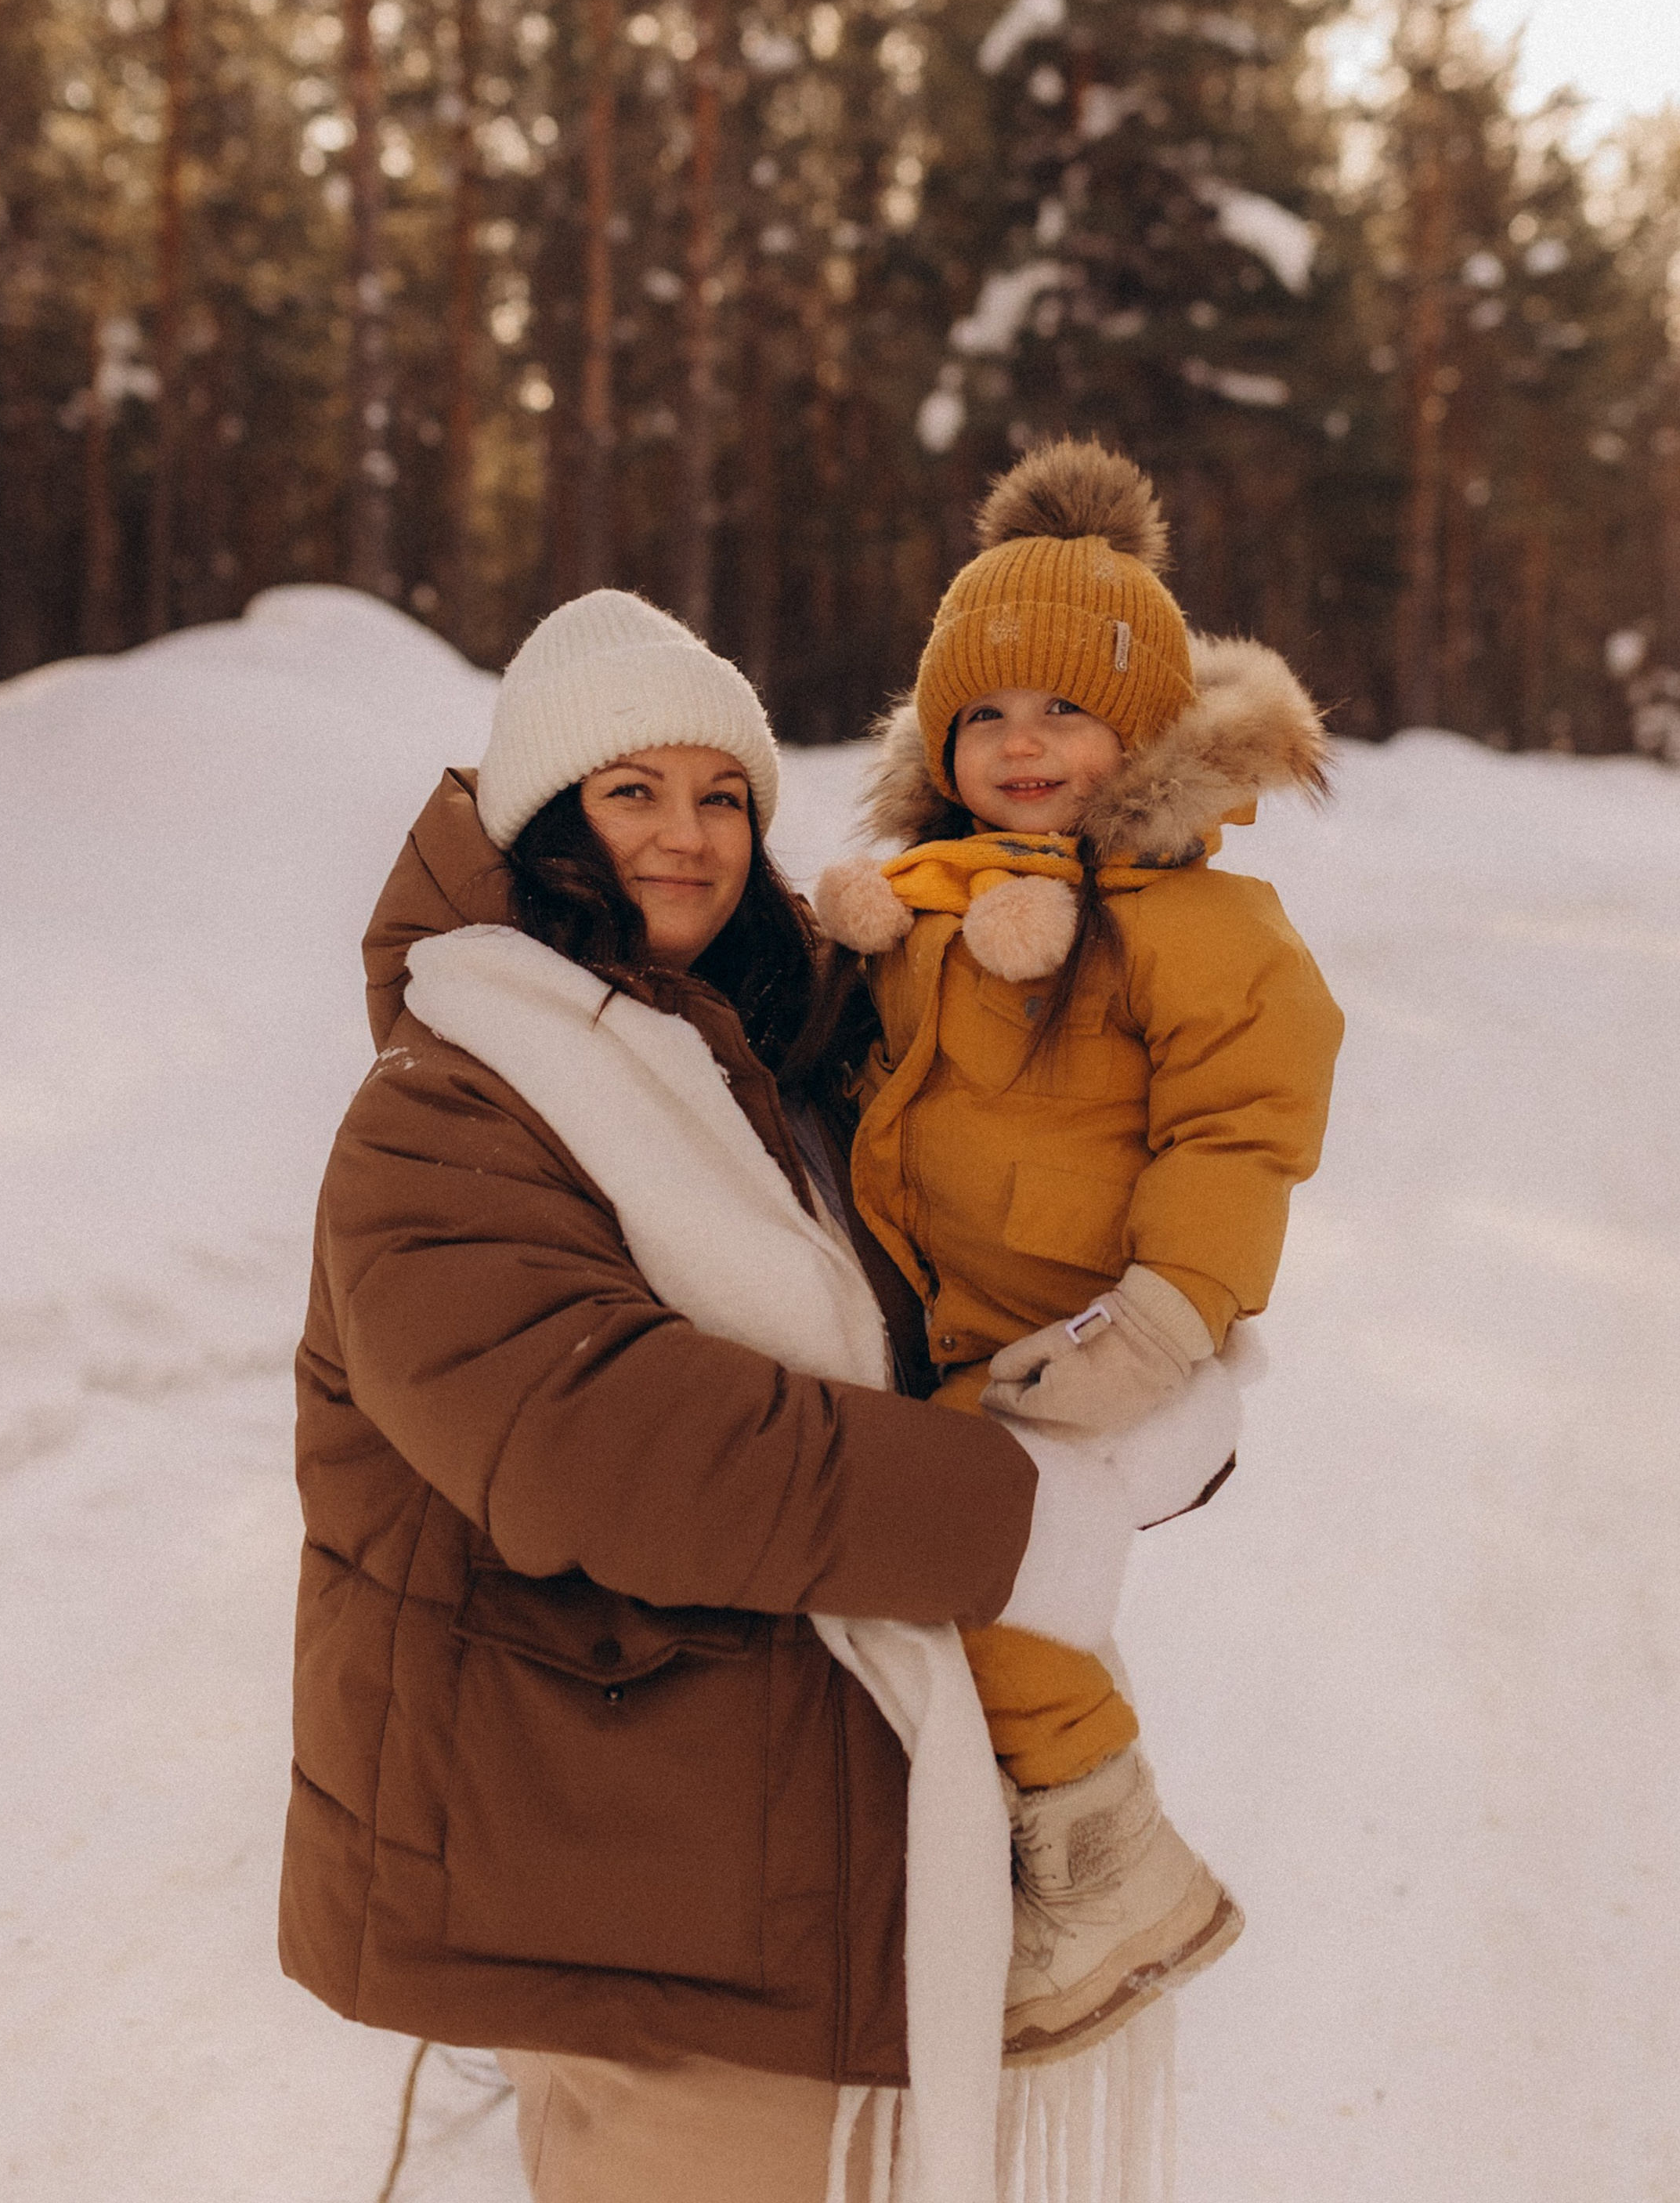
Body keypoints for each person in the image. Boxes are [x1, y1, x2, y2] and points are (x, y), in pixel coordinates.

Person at [278, 585, 1190, 2203]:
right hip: (622, 1876)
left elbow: (954, 1291)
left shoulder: (766, 1067)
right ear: (545, 817)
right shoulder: (446, 1108)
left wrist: (1141, 1390)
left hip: (763, 1861)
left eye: (722, 798)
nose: (686, 837)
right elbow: (601, 1442)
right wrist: (1016, 1519)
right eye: (632, 792)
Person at [814, 439, 1344, 2067]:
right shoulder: (915, 899)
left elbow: (1237, 1134)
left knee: (982, 1572)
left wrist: (1168, 1315)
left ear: (1142, 731)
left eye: (1062, 709)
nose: (1021, 743)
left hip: (1072, 1342)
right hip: (925, 1324)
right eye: (984, 715)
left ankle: (1110, 1866)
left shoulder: (1201, 933)